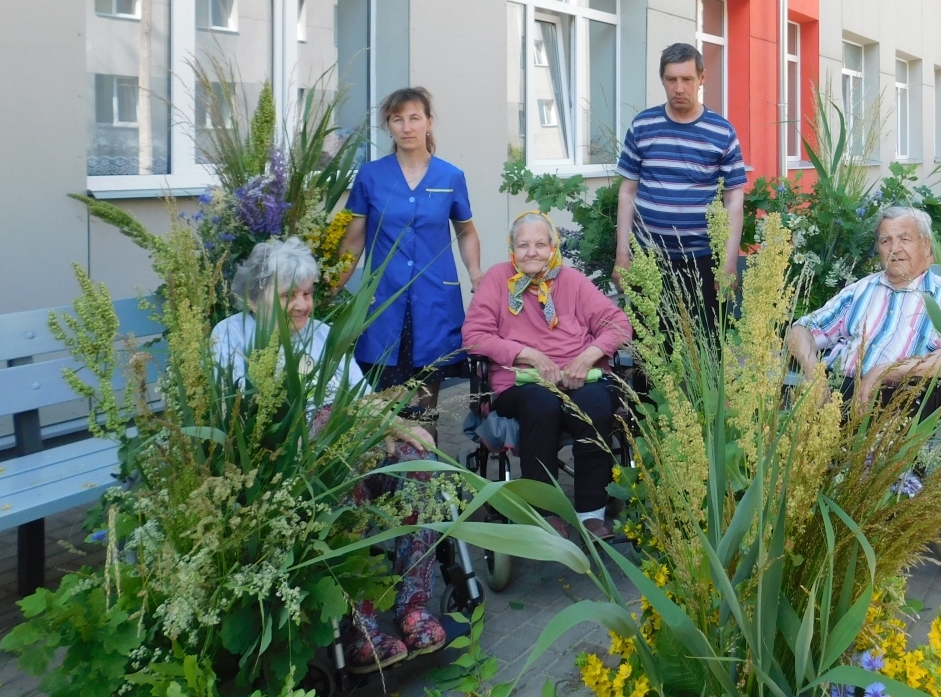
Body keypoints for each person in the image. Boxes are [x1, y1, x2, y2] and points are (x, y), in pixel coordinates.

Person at [213, 238, 447, 672]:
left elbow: (360, 400)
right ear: (252, 297)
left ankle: (414, 607)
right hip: (289, 473)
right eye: (289, 296)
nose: (303, 306)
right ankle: (362, 626)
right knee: (336, 451)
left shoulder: (322, 335)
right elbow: (235, 421)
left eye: (307, 294)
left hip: (346, 455)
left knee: (417, 459)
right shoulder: (230, 337)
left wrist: (399, 424)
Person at [463, 211, 633, 540]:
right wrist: (528, 355)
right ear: (511, 249)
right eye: (523, 244)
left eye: (540, 244)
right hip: (521, 383)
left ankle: (591, 513)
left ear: (553, 246)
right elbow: (474, 336)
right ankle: (545, 512)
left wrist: (587, 358)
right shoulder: (498, 281)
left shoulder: (572, 281)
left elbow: (618, 324)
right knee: (542, 404)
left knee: (595, 407)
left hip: (580, 377)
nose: (532, 251)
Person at [341, 87, 483, 436]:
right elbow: (353, 239)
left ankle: (426, 482)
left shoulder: (450, 177)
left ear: (429, 123)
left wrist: (476, 273)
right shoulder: (370, 176)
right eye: (397, 119)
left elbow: (466, 231)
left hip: (433, 302)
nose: (406, 127)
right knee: (383, 407)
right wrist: (333, 286)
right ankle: (385, 483)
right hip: (382, 304)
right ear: (388, 126)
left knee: (424, 406)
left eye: (414, 118)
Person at [613, 43, 747, 328]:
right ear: (662, 79)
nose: (679, 88)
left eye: (687, 79)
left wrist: (729, 262)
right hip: (649, 260)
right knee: (652, 355)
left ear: (701, 78)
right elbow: (627, 192)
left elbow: (734, 200)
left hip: (702, 260)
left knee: (706, 352)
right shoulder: (643, 126)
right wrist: (622, 256)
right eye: (671, 79)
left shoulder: (721, 132)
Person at [787, 207, 941, 408]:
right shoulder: (860, 290)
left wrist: (887, 371)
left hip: (897, 402)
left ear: (926, 245)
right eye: (886, 241)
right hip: (835, 392)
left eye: (905, 239)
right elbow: (801, 330)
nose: (895, 248)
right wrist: (813, 373)